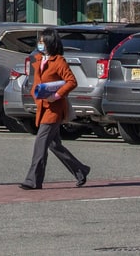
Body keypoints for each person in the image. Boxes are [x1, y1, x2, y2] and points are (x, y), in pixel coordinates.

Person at [20, 27, 90, 190]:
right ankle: (80, 170)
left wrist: (56, 95)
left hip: (54, 109)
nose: (40, 44)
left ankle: (33, 180)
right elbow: (37, 82)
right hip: (42, 106)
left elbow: (71, 81)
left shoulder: (58, 61)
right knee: (54, 145)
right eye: (39, 41)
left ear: (51, 43)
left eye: (43, 42)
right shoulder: (38, 60)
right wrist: (35, 92)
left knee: (40, 143)